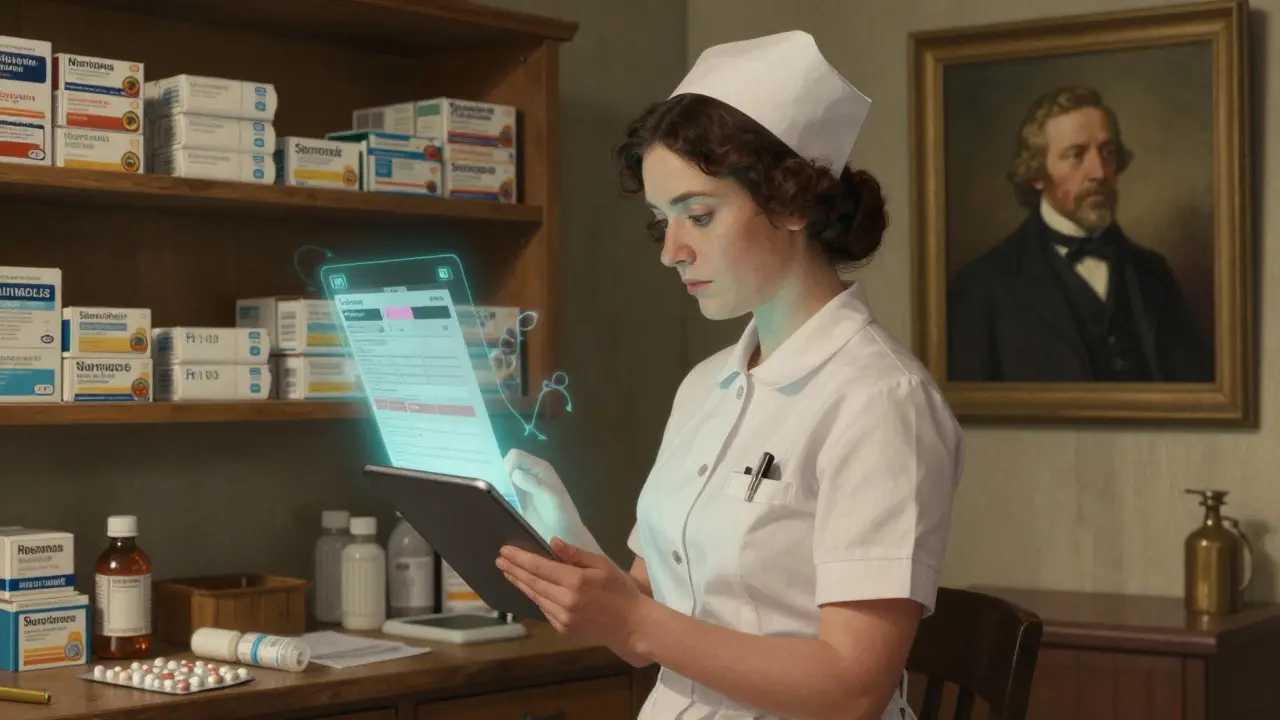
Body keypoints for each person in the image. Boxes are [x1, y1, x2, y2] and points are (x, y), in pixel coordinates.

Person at [496, 30, 963, 720]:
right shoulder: (705, 387)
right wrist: (577, 568)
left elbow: (852, 688)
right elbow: (648, 627)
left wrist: (633, 621)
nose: (673, 252)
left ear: (793, 203)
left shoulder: (880, 401)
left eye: (700, 215)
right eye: (662, 222)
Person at [946, 85, 1214, 383]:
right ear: (1036, 174)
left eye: (1108, 151)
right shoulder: (983, 287)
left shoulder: (1153, 273)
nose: (1099, 172)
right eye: (1077, 155)